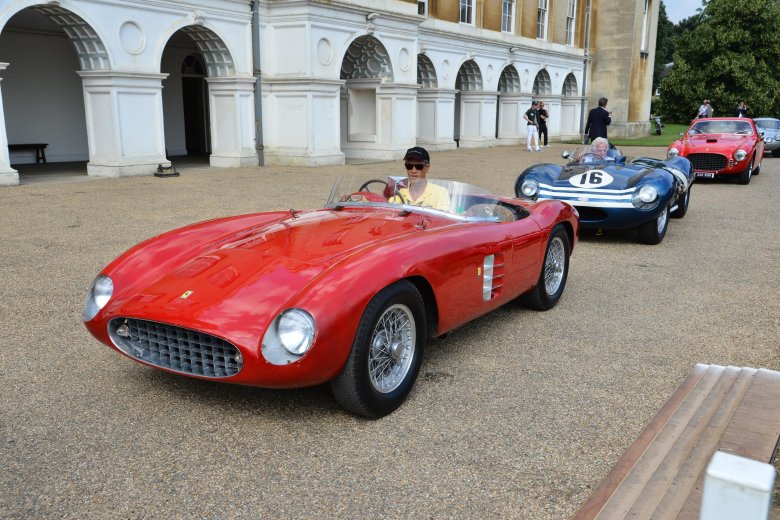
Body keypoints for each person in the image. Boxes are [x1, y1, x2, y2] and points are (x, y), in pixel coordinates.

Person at [388, 146, 450, 211]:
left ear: (427, 168)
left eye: (419, 166)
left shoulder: (440, 193)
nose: (413, 171)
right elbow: (391, 214)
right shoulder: (399, 190)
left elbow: (441, 219)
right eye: (409, 166)